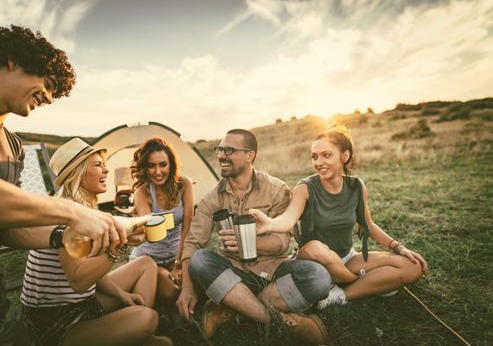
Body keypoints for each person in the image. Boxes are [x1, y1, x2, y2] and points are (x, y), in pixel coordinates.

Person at [0, 25, 125, 345]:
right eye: (49, 84)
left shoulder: (12, 144)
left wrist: (63, 236)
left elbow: (7, 226)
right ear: (13, 61)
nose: (50, 98)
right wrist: (69, 211)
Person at [176, 129, 331, 345]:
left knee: (318, 278)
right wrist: (187, 288)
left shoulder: (276, 190)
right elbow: (193, 244)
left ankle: (232, 310)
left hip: (273, 272)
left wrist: (248, 244)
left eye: (229, 150)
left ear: (250, 156)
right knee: (201, 260)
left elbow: (283, 242)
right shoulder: (211, 198)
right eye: (219, 149)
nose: (221, 155)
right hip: (232, 275)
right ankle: (276, 320)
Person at [250, 124, 428, 309]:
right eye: (314, 156)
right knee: (315, 247)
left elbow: (368, 225)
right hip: (315, 260)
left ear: (345, 156)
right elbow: (289, 218)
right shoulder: (305, 188)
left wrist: (399, 247)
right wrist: (269, 224)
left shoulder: (356, 187)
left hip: (347, 259)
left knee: (412, 266)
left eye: (326, 155)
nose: (319, 162)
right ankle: (365, 281)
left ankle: (341, 294)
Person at [21, 138, 171, 346]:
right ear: (79, 173)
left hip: (82, 302)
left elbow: (90, 270)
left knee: (146, 263)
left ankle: (138, 335)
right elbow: (79, 281)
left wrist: (122, 295)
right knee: (148, 318)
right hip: (57, 320)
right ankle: (139, 334)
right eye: (98, 165)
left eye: (104, 164)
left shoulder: (85, 208)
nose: (107, 171)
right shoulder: (67, 214)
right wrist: (122, 245)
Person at [129, 137, 194, 305]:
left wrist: (179, 262)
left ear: (171, 164)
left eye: (163, 165)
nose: (158, 172)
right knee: (172, 292)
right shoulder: (142, 192)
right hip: (149, 258)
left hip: (176, 254)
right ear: (145, 168)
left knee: (195, 284)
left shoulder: (185, 184)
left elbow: (188, 224)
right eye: (151, 166)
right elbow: (151, 230)